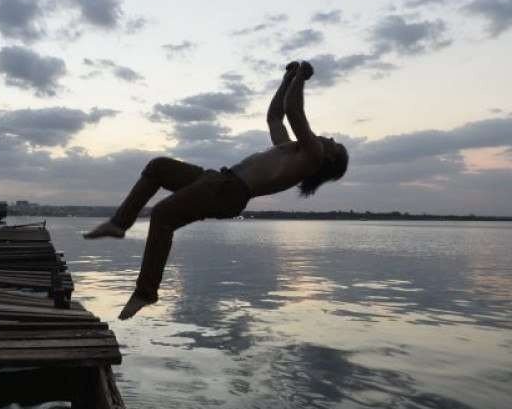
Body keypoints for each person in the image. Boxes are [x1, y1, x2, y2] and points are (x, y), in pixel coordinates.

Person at [84, 60, 348, 320]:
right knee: (158, 167)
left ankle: (146, 292)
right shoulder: (290, 149)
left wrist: (300, 77)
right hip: (218, 180)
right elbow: (275, 117)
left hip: (230, 192)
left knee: (163, 215)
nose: (332, 139)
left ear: (329, 160)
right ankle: (119, 223)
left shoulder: (312, 157)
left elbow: (294, 111)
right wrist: (286, 80)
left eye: (336, 145)